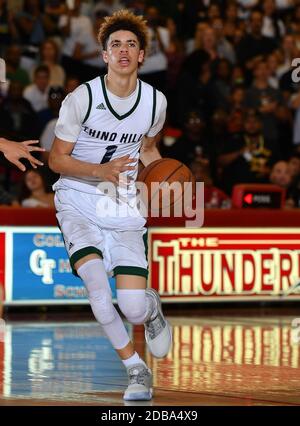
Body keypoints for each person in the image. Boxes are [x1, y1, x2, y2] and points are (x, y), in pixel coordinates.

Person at [49, 9, 172, 401]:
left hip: (123, 203)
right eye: (115, 44)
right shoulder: (81, 97)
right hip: (77, 198)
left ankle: (150, 309)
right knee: (97, 288)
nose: (122, 50)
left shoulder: (155, 102)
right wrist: (100, 171)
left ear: (141, 56)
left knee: (131, 307)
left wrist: (166, 178)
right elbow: (56, 159)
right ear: (103, 55)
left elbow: (150, 149)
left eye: (131, 45)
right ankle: (136, 369)